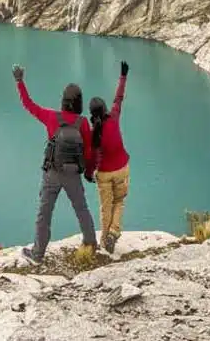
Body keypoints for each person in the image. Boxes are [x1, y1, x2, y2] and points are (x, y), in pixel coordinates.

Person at [12, 64, 98, 264]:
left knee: (44, 212)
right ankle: (91, 244)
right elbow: (89, 151)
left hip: (52, 172)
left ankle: (38, 254)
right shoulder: (83, 123)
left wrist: (19, 81)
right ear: (79, 102)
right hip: (73, 174)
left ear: (63, 101)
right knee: (82, 209)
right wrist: (88, 171)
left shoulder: (51, 117)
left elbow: (29, 105)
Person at [89, 61, 131, 253]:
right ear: (105, 108)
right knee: (119, 201)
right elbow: (119, 97)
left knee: (106, 207)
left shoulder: (92, 133)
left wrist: (89, 173)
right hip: (122, 167)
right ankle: (114, 233)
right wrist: (123, 76)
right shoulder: (113, 116)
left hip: (104, 174)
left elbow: (91, 157)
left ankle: (105, 241)